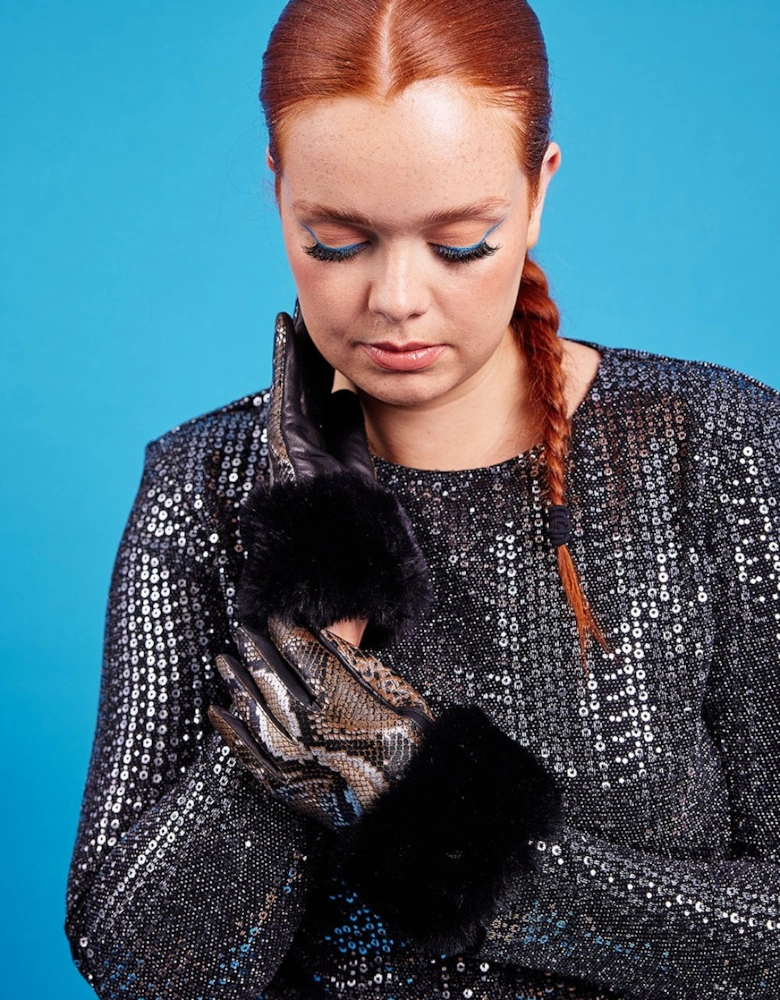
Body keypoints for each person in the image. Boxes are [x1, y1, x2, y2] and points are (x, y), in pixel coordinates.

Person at [65, 1, 780, 997]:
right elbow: (143, 968)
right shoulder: (207, 486)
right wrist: (307, 648)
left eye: (457, 245)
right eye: (336, 242)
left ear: (537, 194)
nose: (397, 298)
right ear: (277, 194)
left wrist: (430, 808)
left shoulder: (716, 446)